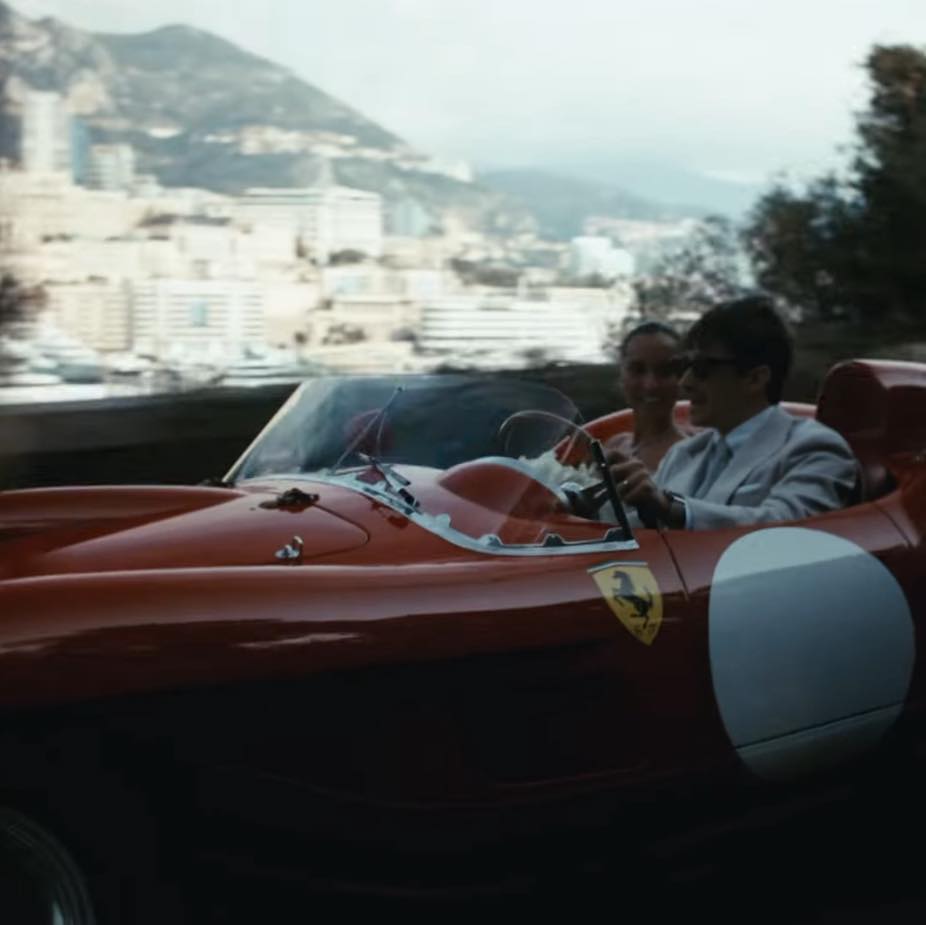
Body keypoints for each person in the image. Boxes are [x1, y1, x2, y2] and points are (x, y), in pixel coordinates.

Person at [606, 295, 858, 530]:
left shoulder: (813, 448)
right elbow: (639, 526)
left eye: (703, 368)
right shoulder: (684, 454)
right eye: (686, 366)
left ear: (755, 379)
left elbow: (786, 527)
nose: (685, 382)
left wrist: (672, 509)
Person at [605, 321, 690, 471]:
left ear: (682, 377)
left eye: (665, 371)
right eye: (637, 370)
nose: (651, 385)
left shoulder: (689, 455)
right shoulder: (615, 444)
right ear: (621, 375)